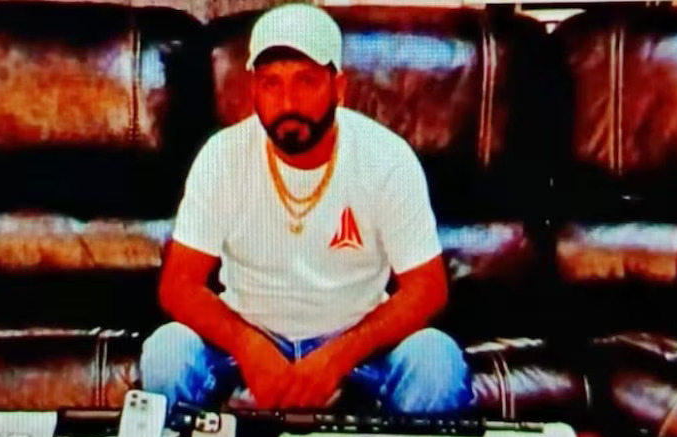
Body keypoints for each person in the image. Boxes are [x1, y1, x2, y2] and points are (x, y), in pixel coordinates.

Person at [140, 4, 473, 414]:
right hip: (247, 340)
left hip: (356, 347)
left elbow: (427, 287)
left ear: (339, 88)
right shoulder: (222, 156)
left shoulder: (385, 157)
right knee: (167, 351)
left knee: (435, 359)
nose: (287, 102)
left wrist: (336, 358)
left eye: (306, 82)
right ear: (253, 90)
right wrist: (250, 347)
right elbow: (179, 284)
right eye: (271, 84)